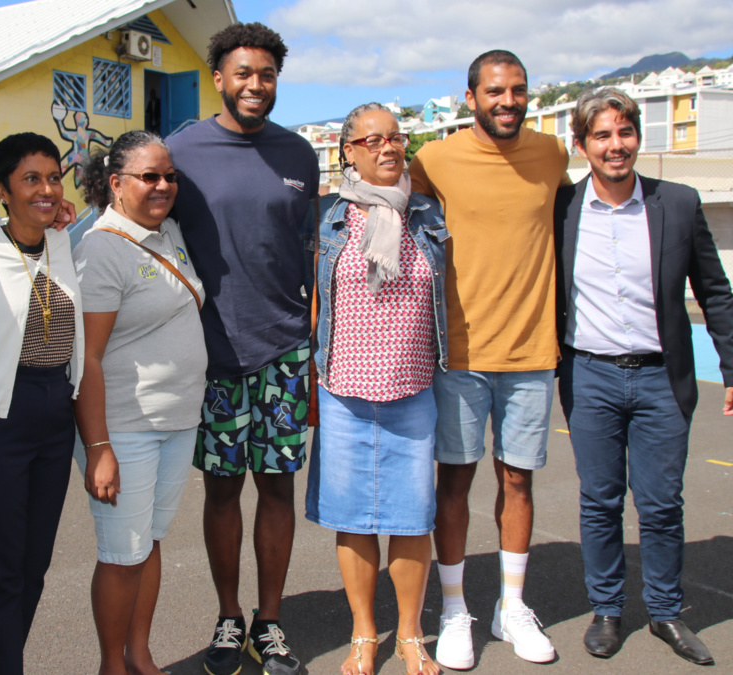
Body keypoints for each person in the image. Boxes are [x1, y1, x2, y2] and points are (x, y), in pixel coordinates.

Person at [555, 87, 733, 665]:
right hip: (589, 376)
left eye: (625, 132)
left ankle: (665, 613)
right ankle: (608, 610)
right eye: (603, 135)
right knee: (601, 500)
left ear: (638, 136)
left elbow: (713, 289)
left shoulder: (679, 203)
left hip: (663, 379)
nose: (617, 146)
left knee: (662, 503)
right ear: (582, 144)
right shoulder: (562, 209)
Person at [407, 49, 570, 669]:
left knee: (518, 480)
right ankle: (453, 611)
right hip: (458, 354)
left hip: (532, 352)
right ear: (469, 98)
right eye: (496, 91)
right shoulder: (435, 160)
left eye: (519, 91)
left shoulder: (552, 154)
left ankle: (511, 606)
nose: (509, 101)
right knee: (454, 481)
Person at [167, 22, 319, 675]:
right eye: (244, 73)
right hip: (211, 354)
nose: (255, 85)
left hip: (283, 352)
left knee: (278, 488)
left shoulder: (301, 154)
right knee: (223, 490)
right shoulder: (181, 149)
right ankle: (230, 617)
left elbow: (312, 252)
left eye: (266, 74)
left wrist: (313, 340)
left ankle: (271, 620)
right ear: (220, 78)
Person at [305, 103, 448, 675]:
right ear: (349, 151)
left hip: (414, 386)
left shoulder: (429, 214)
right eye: (373, 140)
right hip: (343, 389)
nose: (389, 148)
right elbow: (315, 297)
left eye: (396, 137)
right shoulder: (326, 217)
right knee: (354, 515)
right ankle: (365, 633)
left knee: (413, 516)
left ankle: (410, 633)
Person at [72, 130, 206, 675]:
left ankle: (140, 655)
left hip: (175, 421)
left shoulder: (168, 231)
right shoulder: (102, 248)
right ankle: (112, 665)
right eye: (148, 176)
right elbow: (87, 358)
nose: (163, 185)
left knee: (148, 545)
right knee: (122, 554)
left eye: (169, 176)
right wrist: (98, 446)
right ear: (115, 184)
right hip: (125, 428)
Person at [0, 132, 84, 674]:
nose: (47, 189)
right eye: (31, 179)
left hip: (56, 413)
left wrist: (61, 217)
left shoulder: (62, 242)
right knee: (3, 565)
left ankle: (7, 660)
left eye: (54, 177)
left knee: (35, 565)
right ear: (0, 190)